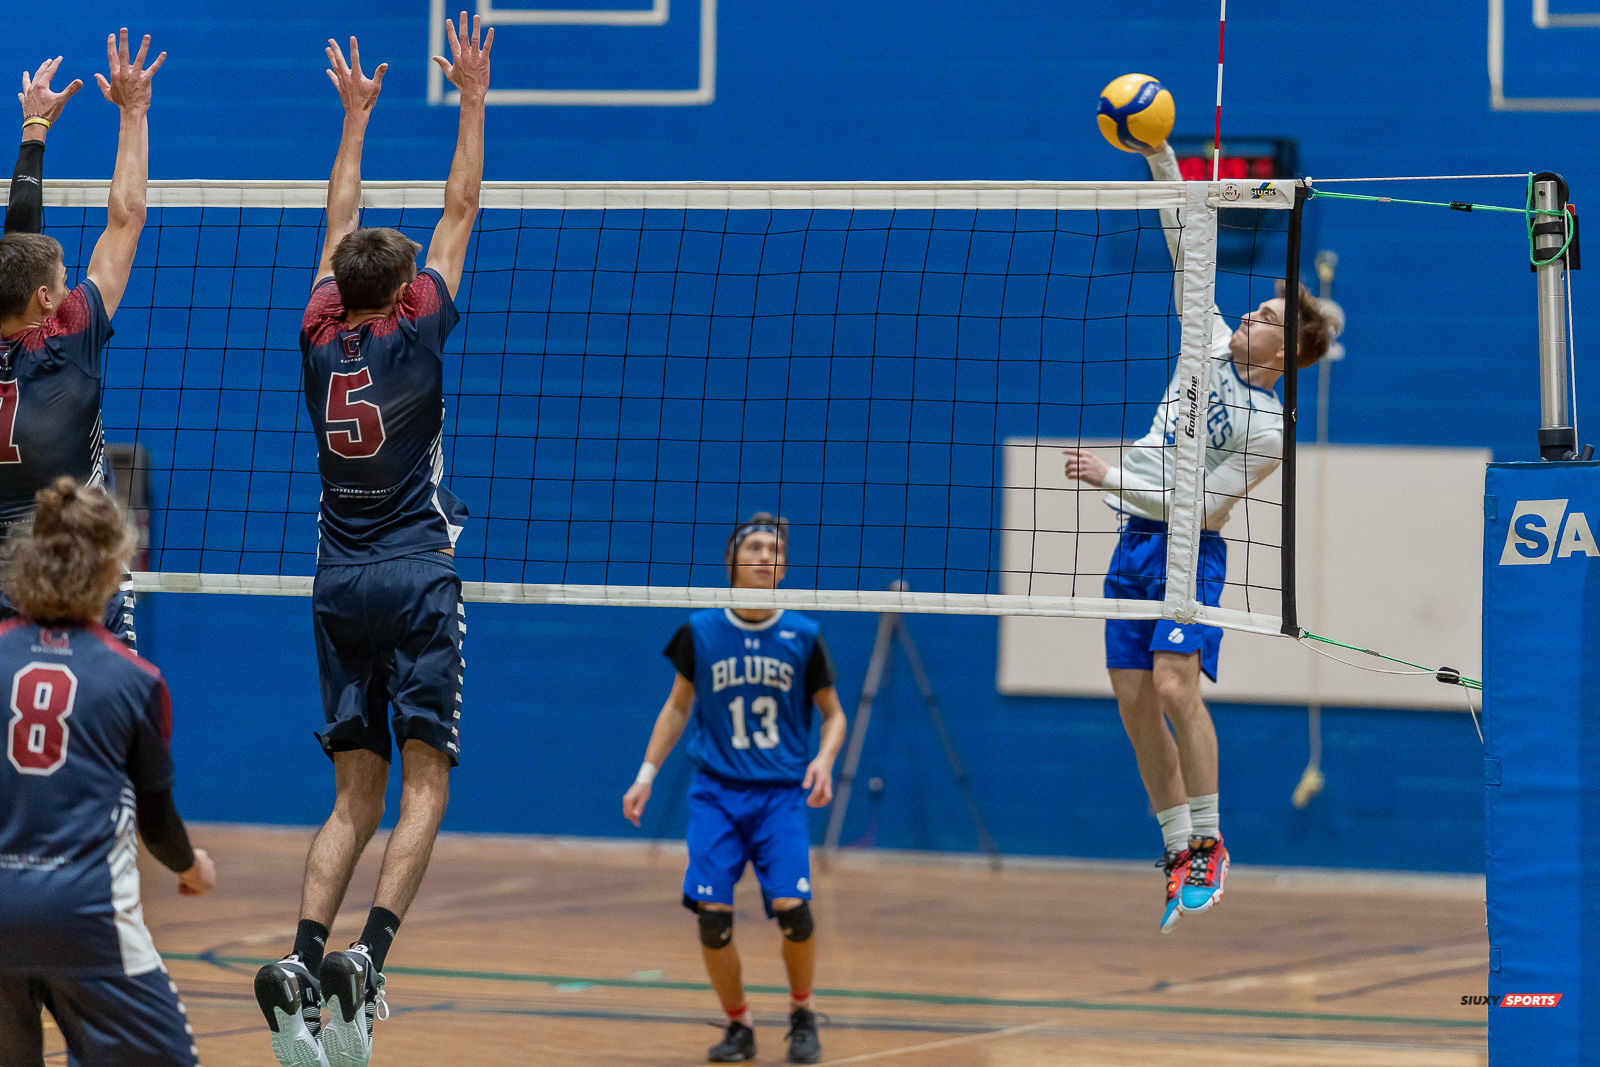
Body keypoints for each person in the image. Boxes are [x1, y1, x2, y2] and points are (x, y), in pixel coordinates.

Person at [252, 17, 489, 1067]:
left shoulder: (316, 334)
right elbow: (461, 207)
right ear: (401, 296)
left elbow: (336, 218)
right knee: (427, 780)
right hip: (417, 574)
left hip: (336, 579)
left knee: (353, 788)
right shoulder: (419, 322)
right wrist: (471, 96)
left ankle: (303, 961)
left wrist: (352, 121)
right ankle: (369, 959)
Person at [1062, 139, 1333, 932]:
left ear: (1282, 352)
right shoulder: (1205, 337)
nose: (1250, 313)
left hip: (1188, 552)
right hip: (1132, 546)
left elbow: (1204, 511)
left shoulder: (1265, 429)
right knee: (1136, 705)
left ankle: (1213, 840)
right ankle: (1178, 846)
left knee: (1178, 687)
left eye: (1267, 318)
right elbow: (1186, 236)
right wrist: (1160, 160)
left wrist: (1111, 476)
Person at [0, 475, 216, 1067]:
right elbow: (157, 820)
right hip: (83, 915)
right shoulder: (134, 680)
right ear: (109, 571)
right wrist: (190, 866)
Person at [623, 514, 848, 1064]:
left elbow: (835, 715)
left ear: (784, 566)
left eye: (774, 548)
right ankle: (739, 1025)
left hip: (779, 797)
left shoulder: (803, 633)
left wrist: (824, 758)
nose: (765, 555)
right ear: (733, 562)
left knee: (795, 910)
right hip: (717, 796)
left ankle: (801, 1013)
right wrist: (645, 774)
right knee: (713, 919)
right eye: (754, 546)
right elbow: (677, 708)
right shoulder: (700, 631)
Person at [0, 37, 158, 648]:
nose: (70, 286)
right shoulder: (71, 337)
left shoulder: (33, 306)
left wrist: (34, 129)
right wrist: (133, 113)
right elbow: (126, 217)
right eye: (62, 281)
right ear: (45, 300)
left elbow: (17, 246)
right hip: (78, 571)